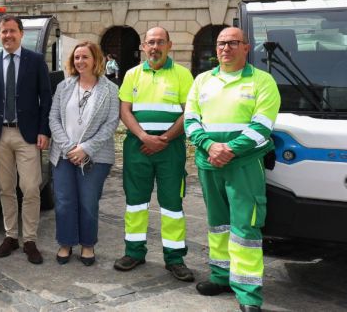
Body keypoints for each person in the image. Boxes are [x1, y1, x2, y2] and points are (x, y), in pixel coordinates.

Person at [184, 27, 280, 312]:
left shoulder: (263, 81)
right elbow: (191, 119)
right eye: (221, 43)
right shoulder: (202, 80)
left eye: (232, 43)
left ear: (246, 48)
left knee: (245, 228)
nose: (225, 48)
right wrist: (210, 147)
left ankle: (248, 293)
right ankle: (221, 276)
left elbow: (263, 126)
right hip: (208, 162)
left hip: (244, 165)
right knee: (218, 225)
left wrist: (229, 150)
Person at [113, 27, 196, 282]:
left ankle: (175, 258)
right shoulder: (132, 74)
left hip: (170, 149)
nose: (155, 47)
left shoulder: (183, 75)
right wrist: (144, 136)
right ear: (143, 46)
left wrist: (165, 139)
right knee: (135, 203)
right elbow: (124, 111)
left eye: (160, 42)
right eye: (151, 42)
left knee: (172, 204)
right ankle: (134, 252)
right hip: (138, 147)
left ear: (169, 45)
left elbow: (189, 112)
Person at [0, 14, 52, 264]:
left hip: (27, 134)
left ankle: (29, 239)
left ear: (21, 33)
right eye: (3, 31)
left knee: (30, 188)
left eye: (12, 31)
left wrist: (44, 131)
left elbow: (46, 99)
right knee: (5, 188)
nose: (7, 35)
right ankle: (10, 236)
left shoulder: (36, 61)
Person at [48, 41, 119, 266]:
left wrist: (85, 149)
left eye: (85, 57)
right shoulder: (64, 86)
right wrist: (69, 148)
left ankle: (88, 245)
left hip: (95, 157)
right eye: (76, 57)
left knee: (88, 202)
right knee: (64, 201)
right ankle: (66, 243)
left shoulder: (110, 89)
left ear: (96, 59)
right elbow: (53, 118)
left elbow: (111, 124)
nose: (80, 61)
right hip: (63, 155)